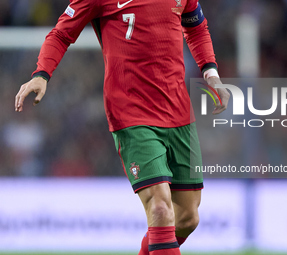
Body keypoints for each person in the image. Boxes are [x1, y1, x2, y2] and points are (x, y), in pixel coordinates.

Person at [15, 0, 230, 254]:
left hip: (178, 110)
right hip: (131, 112)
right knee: (160, 208)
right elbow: (62, 33)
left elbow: (196, 27)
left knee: (187, 219)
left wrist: (211, 73)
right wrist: (42, 73)